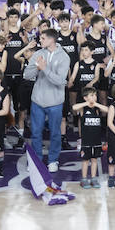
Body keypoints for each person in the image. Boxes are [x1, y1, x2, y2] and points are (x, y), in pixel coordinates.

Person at [24, 27, 70, 172]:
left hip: (55, 102)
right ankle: (37, 160)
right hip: (37, 100)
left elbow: (60, 80)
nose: (40, 40)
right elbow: (26, 74)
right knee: (36, 132)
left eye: (43, 38)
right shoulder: (38, 53)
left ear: (51, 40)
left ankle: (53, 160)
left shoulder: (64, 57)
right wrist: (36, 69)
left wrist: (44, 69)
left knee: (55, 133)